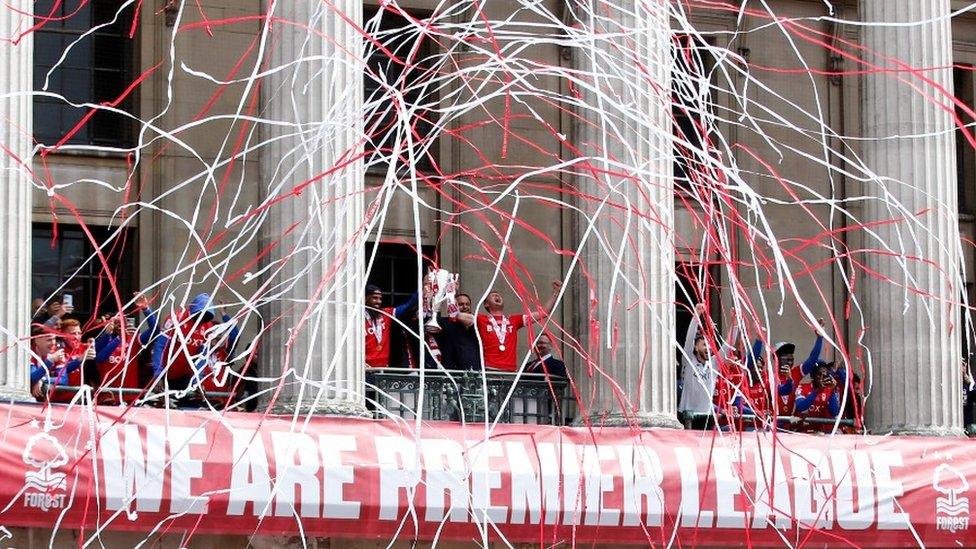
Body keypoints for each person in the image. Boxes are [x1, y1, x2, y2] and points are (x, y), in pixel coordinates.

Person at [454, 281, 562, 372]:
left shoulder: (514, 320)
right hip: (489, 369)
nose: (497, 296)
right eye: (493, 296)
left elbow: (543, 313)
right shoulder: (481, 319)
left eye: (498, 295)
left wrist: (555, 293)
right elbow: (459, 317)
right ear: (486, 304)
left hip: (510, 371)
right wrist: (451, 293)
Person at [152, 293, 237, 397]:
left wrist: (198, 381)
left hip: (183, 375)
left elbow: (202, 356)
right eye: (200, 314)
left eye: (206, 316)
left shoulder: (207, 327)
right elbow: (160, 345)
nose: (202, 318)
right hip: (162, 373)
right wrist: (158, 373)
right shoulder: (176, 319)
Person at [93, 294, 159, 404]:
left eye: (123, 321)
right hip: (108, 399)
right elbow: (100, 358)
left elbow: (155, 330)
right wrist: (118, 338)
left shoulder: (132, 339)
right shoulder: (102, 341)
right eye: (116, 322)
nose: (120, 325)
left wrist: (145, 308)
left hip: (130, 398)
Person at [679, 303, 734, 429]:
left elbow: (728, 346)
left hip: (707, 417)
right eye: (704, 344)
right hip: (688, 417)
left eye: (709, 345)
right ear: (695, 347)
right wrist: (696, 315)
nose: (708, 348)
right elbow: (689, 339)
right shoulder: (688, 361)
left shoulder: (714, 364)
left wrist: (734, 324)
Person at [365, 284, 417, 367]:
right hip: (365, 368)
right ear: (366, 298)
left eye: (380, 299)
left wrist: (422, 289)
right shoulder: (357, 318)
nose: (378, 301)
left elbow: (408, 305)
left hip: (384, 367)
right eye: (374, 298)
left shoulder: (385, 314)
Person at [435, 293, 482, 370]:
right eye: (461, 304)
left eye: (467, 304)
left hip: (475, 371)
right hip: (452, 372)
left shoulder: (477, 325)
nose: (465, 307)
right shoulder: (444, 322)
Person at [793, 361, 842, 433]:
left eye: (825, 374)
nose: (823, 377)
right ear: (813, 376)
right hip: (801, 432)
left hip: (819, 434)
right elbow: (801, 406)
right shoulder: (802, 387)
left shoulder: (828, 390)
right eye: (820, 374)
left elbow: (834, 412)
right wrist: (817, 390)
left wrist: (832, 390)